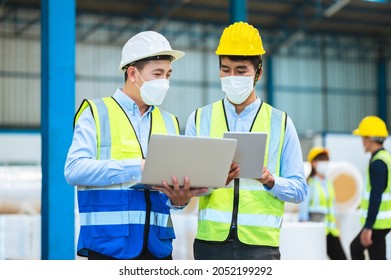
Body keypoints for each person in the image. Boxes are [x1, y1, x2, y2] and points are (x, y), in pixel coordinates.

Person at [64, 31, 208, 260]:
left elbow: (167, 193)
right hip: (108, 248)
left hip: (158, 248)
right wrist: (138, 167)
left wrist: (179, 200)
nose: (165, 82)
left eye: (168, 75)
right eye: (158, 74)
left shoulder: (169, 122)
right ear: (133, 73)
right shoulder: (96, 113)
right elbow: (74, 170)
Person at [185, 21, 308, 260]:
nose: (232, 77)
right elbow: (188, 187)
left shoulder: (280, 123)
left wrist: (270, 180)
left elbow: (299, 190)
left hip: (260, 247)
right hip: (210, 244)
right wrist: (212, 181)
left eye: (241, 70)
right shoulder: (200, 119)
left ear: (258, 73)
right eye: (225, 69)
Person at [350, 115, 391, 260]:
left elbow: (376, 196)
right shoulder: (384, 158)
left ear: (369, 138)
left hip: (378, 223)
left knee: (356, 249)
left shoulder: (378, 163)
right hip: (381, 221)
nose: (362, 142)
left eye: (363, 137)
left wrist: (368, 227)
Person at [299, 147, 347, 260]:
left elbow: (333, 208)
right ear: (314, 163)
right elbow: (303, 211)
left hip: (331, 231)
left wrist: (338, 230)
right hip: (317, 230)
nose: (325, 163)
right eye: (322, 160)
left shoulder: (328, 183)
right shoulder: (309, 183)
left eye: (326, 160)